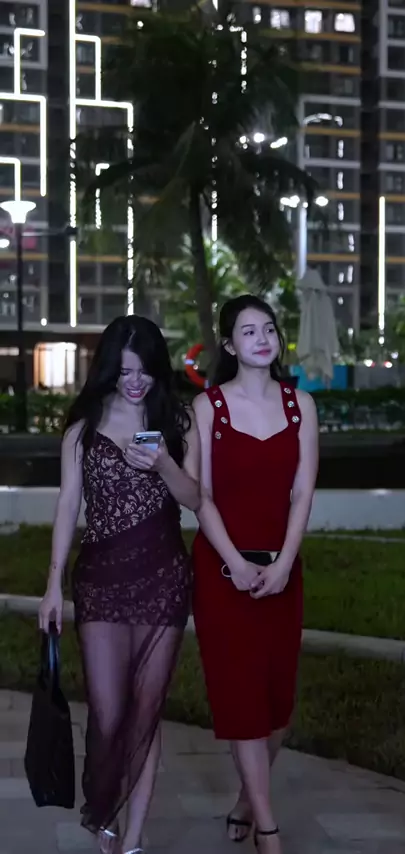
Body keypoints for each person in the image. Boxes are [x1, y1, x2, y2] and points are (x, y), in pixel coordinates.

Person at [38, 315, 199, 854]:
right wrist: (53, 585)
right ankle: (104, 808)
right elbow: (68, 505)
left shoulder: (178, 421)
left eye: (144, 370)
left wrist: (164, 463)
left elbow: (196, 498)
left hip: (163, 577)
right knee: (108, 714)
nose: (135, 381)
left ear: (158, 369)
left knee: (146, 711)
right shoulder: (83, 427)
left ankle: (130, 838)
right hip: (101, 580)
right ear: (109, 369)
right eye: (125, 371)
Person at [192, 295, 318, 854]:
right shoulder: (208, 408)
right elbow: (201, 497)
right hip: (223, 573)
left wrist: (284, 561)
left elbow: (302, 491)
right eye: (248, 331)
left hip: (282, 570)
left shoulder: (301, 405)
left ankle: (246, 800)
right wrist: (236, 563)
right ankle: (268, 829)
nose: (262, 339)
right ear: (228, 344)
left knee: (277, 705)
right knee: (241, 697)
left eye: (268, 329)